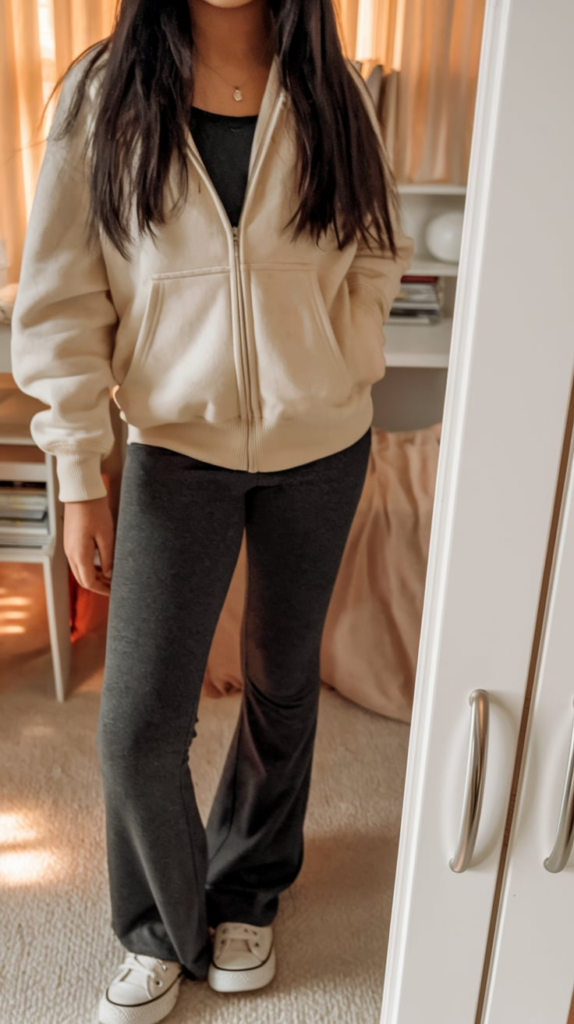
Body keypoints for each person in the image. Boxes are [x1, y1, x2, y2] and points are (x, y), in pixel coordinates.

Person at [10, 0, 414, 1021]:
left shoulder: (333, 90)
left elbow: (374, 251)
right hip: (172, 451)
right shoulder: (101, 94)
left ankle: (248, 887)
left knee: (283, 686)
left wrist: (339, 361)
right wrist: (78, 475)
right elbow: (59, 298)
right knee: (137, 722)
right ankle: (157, 924)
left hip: (320, 446)